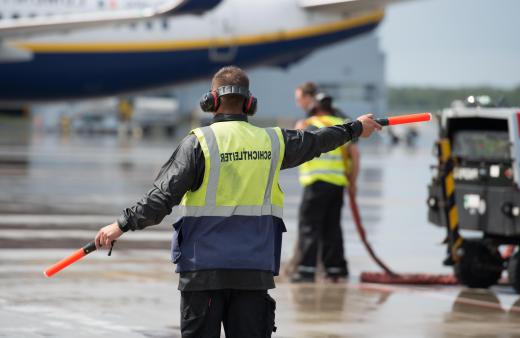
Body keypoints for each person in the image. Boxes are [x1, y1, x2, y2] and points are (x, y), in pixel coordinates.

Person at [94, 66, 381, 337]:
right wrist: (355, 127)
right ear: (249, 104)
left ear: (211, 101)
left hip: (202, 271)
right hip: (253, 272)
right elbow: (318, 140)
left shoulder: (198, 143)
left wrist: (120, 225)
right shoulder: (273, 142)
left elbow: (160, 199)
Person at [291, 83, 360, 283]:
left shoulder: (306, 124)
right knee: (333, 227)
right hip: (337, 183)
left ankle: (306, 270)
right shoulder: (342, 125)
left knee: (309, 227)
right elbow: (355, 156)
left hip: (315, 183)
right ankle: (335, 269)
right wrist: (353, 182)